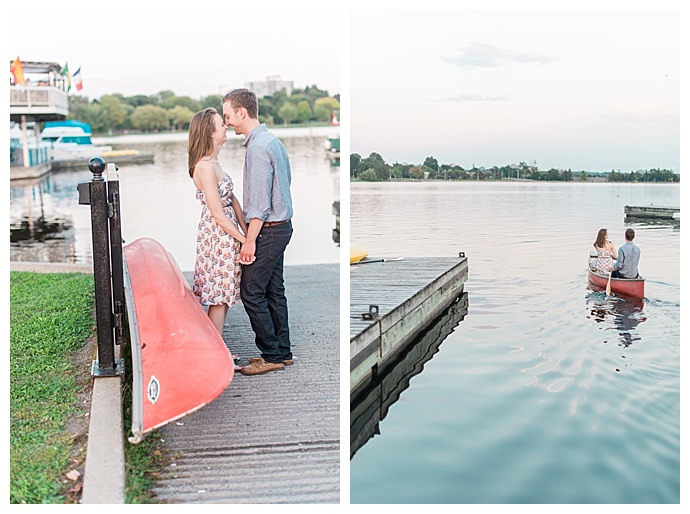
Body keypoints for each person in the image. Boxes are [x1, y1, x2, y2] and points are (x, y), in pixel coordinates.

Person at [222, 88, 294, 376]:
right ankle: (282, 351)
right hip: (281, 226)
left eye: (228, 115)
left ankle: (271, 354)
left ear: (242, 112)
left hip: (268, 229)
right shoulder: (271, 141)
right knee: (274, 290)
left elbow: (261, 204)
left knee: (251, 291)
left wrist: (249, 241)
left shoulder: (258, 147)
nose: (227, 122)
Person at [188, 107, 248, 370]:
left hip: (228, 233)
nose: (225, 126)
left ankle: (217, 349)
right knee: (219, 296)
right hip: (218, 236)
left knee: (224, 294)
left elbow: (232, 201)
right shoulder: (203, 167)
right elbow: (217, 214)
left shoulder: (215, 163)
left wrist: (248, 232)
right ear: (210, 132)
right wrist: (243, 240)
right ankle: (214, 356)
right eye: (220, 124)